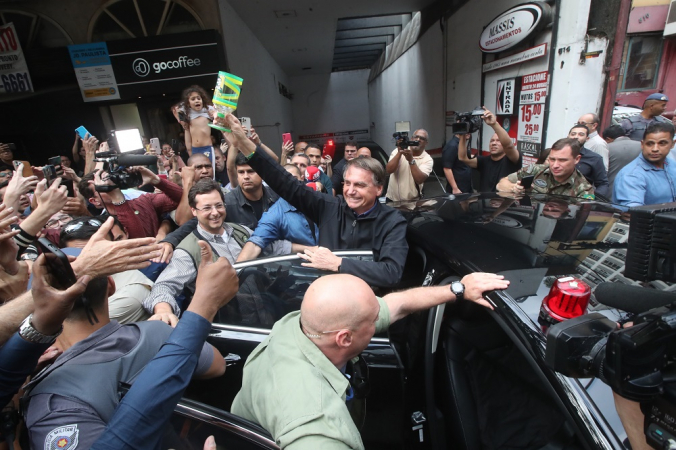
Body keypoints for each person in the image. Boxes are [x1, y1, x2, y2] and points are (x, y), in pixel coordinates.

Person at [231, 272, 510, 449]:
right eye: (374, 319)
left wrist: (459, 288)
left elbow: (398, 304)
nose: (381, 318)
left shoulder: (297, 326)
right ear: (344, 338)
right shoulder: (315, 427)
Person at [22, 248, 225, 450]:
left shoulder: (54, 404)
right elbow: (217, 366)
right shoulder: (157, 332)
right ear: (111, 286)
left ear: (37, 303)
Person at [220, 113, 408, 287]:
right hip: (325, 298)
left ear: (379, 188)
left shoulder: (392, 221)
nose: (350, 191)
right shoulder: (330, 207)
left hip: (367, 306)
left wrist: (338, 263)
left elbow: (391, 273)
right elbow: (284, 182)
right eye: (347, 183)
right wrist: (244, 142)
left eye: (359, 185)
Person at [89, 244, 239, 450]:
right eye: (207, 208)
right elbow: (218, 366)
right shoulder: (153, 334)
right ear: (111, 285)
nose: (215, 211)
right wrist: (204, 303)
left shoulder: (44, 390)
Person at [59, 216, 152, 324]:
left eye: (98, 252)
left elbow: (67, 329)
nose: (89, 260)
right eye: (78, 253)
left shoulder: (130, 293)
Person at [237, 164, 319, 262]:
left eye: (293, 178)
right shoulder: (275, 213)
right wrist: (237, 269)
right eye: (285, 180)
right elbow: (255, 243)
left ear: (301, 179)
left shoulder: (318, 201)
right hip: (302, 272)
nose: (290, 184)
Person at [79, 166, 183, 238]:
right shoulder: (102, 225)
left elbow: (182, 198)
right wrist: (117, 199)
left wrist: (156, 180)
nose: (109, 184)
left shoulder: (142, 201)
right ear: (95, 201)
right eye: (102, 185)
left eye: (108, 180)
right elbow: (139, 240)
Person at [496, 138, 595, 199]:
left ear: (577, 159)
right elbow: (501, 183)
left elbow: (582, 215)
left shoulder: (585, 190)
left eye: (562, 160)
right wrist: (513, 188)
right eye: (552, 159)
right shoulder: (535, 170)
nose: (555, 165)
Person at [458, 107, 522, 193]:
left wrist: (494, 124)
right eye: (492, 141)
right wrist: (463, 133)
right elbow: (462, 158)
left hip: (504, 204)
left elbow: (509, 146)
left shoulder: (511, 160)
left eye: (498, 141)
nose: (494, 143)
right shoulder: (484, 161)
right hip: (484, 203)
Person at [613, 122, 676, 207]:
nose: (655, 149)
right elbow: (635, 212)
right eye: (649, 144)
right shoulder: (632, 175)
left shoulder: (671, 164)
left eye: (662, 143)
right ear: (642, 144)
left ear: (672, 144)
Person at [386, 129, 434, 201]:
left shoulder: (427, 159)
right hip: (392, 200)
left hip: (412, 202)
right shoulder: (397, 151)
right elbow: (389, 170)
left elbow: (419, 180)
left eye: (422, 138)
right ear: (411, 138)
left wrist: (411, 160)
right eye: (416, 137)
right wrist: (399, 153)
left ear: (426, 143)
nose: (418, 139)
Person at [173, 85, 216, 159]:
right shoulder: (188, 114)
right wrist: (180, 121)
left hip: (207, 148)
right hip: (194, 149)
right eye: (193, 99)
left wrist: (214, 113)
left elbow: (217, 112)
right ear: (188, 103)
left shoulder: (207, 110)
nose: (196, 101)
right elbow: (175, 109)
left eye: (198, 98)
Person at [567, 124, 610, 198]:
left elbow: (602, 184)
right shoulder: (558, 154)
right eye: (573, 134)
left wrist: (590, 199)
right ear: (568, 136)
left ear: (587, 138)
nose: (576, 137)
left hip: (580, 201)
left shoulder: (594, 158)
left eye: (581, 134)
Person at [603, 124, 642, 199]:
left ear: (608, 139)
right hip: (637, 191)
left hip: (611, 193)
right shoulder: (641, 146)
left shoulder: (607, 148)